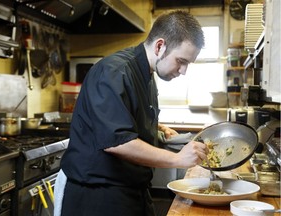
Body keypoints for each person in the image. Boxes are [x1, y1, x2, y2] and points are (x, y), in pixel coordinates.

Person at [56, 9, 207, 216]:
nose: (183, 71)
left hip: (130, 190)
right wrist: (178, 159)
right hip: (96, 195)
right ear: (160, 46)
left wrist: (157, 129)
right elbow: (117, 141)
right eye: (181, 61)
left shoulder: (146, 73)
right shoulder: (114, 71)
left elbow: (128, 118)